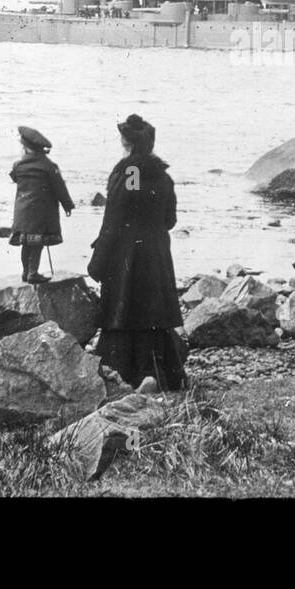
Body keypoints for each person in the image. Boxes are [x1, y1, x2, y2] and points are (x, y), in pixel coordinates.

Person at [87, 114, 186, 390]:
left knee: (124, 312)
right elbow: (170, 220)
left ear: (127, 142)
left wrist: (97, 261)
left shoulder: (130, 172)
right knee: (152, 316)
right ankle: (154, 376)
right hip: (155, 254)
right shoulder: (163, 176)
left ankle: (127, 377)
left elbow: (116, 216)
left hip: (127, 254)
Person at [8, 125, 74, 284]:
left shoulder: (18, 166)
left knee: (25, 242)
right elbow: (60, 189)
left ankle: (25, 273)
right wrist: (68, 205)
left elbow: (14, 178)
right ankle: (33, 272)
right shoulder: (49, 166)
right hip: (41, 213)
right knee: (37, 243)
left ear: (26, 149)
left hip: (22, 212)